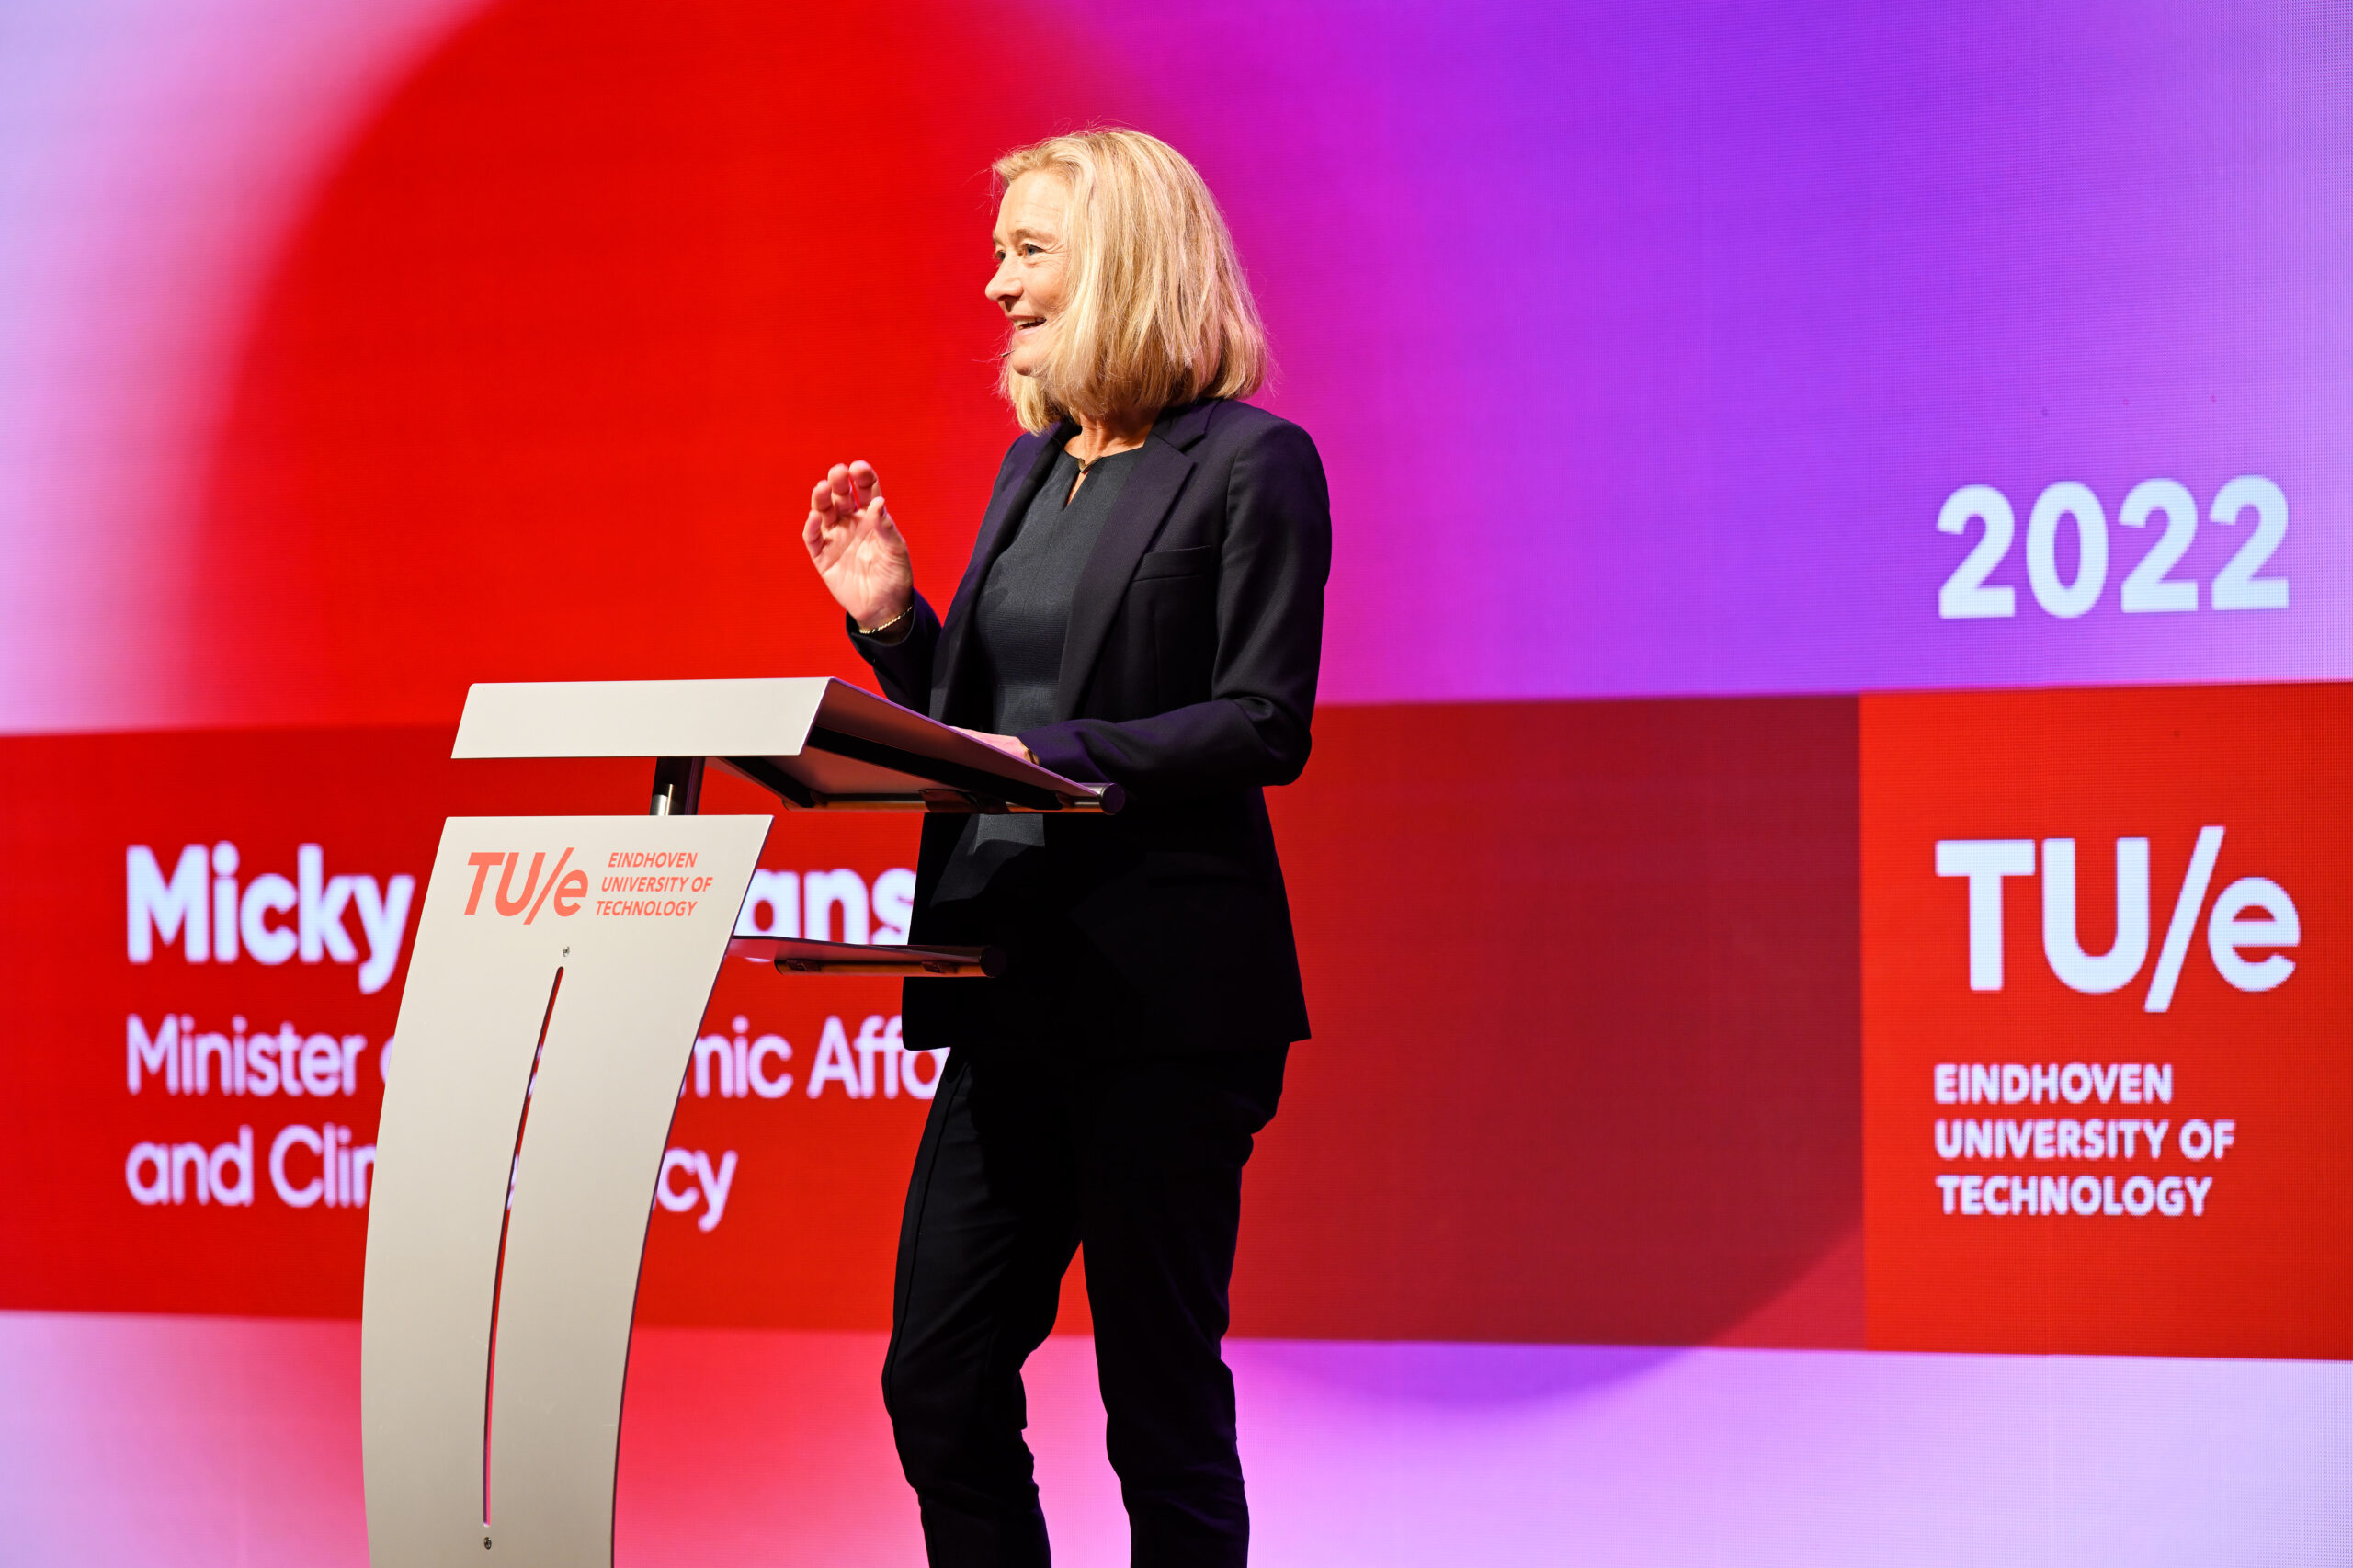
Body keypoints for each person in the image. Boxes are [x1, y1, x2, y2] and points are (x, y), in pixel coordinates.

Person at [798, 129, 1330, 1568]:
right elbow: (977, 732)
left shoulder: (1252, 465)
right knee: (939, 1381)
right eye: (1000, 253)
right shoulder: (1031, 471)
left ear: (1126, 264)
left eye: (1029, 252)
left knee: (1157, 1407)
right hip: (1011, 990)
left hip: (1163, 1003)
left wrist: (1071, 756)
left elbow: (1265, 719)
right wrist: (892, 618)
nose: (995, 285)